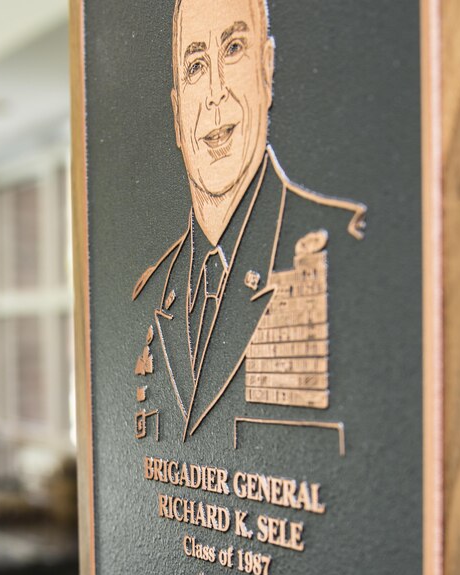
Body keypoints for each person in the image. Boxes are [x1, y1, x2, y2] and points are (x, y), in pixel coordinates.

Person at [132, 0, 367, 444]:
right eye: (196, 66)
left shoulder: (349, 250)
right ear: (177, 113)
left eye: (234, 48)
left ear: (268, 68)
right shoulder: (150, 291)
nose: (216, 91)